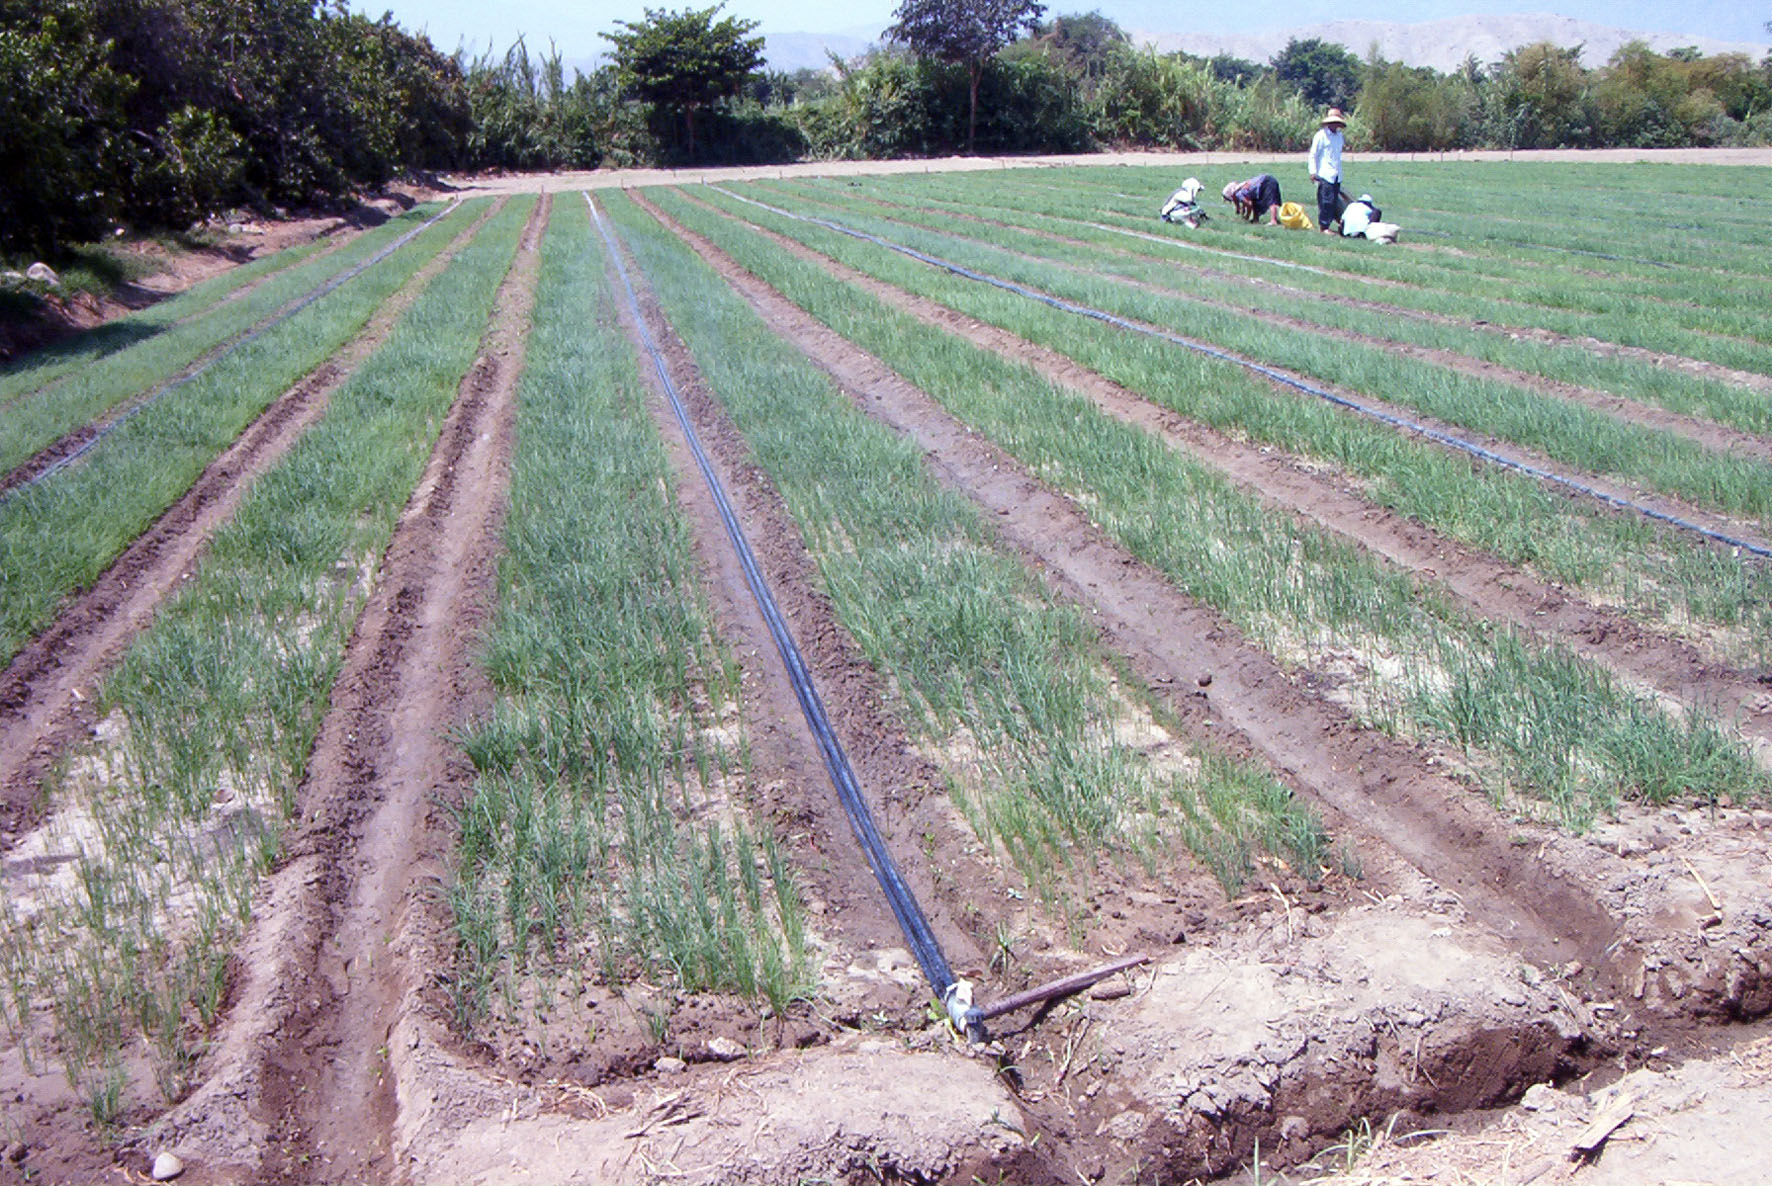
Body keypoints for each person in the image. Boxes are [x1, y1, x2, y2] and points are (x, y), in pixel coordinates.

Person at [1309, 107, 1348, 235]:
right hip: (1324, 173)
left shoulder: (1339, 137)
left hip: (1336, 173)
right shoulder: (1321, 136)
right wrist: (1313, 171)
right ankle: (1324, 226)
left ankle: (1332, 223)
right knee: (1325, 201)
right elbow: (1313, 154)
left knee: (1333, 201)